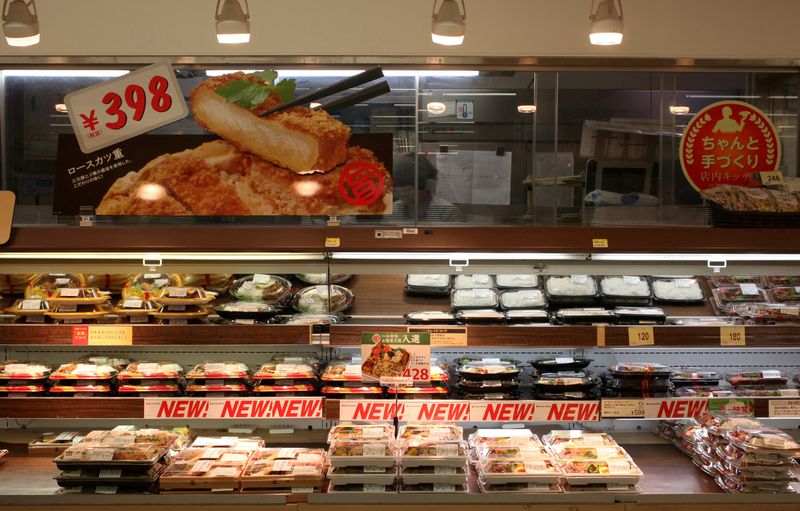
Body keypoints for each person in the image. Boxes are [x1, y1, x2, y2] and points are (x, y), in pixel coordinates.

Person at [389, 152, 464, 223]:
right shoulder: (394, 210)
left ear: (423, 183)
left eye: (408, 183)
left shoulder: (447, 212)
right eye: (397, 184)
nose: (401, 190)